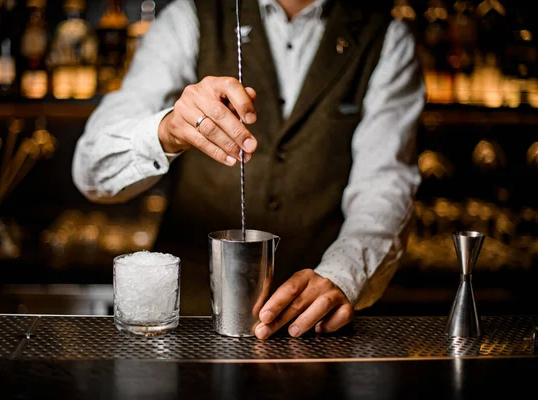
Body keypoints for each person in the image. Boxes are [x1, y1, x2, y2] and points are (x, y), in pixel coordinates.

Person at [72, 0, 425, 340]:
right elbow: (91, 171)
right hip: (189, 326)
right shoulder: (191, 17)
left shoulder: (387, 38)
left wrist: (343, 275)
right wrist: (167, 131)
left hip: (313, 331)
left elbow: (385, 184)